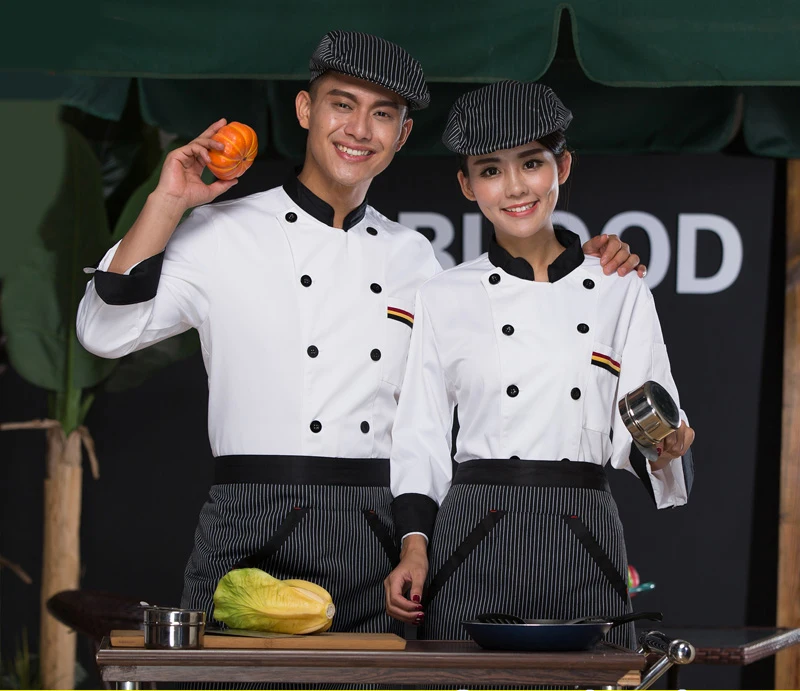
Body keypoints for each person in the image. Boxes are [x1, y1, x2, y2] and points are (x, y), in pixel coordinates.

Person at [77, 32, 643, 636]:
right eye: (341, 104)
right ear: (305, 110)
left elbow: (481, 369)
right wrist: (168, 202)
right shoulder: (222, 230)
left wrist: (591, 268)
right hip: (249, 517)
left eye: (382, 115)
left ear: (400, 137)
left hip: (377, 534)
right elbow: (103, 332)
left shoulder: (415, 257)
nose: (358, 129)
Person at [384, 81, 695, 648]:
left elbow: (647, 421)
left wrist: (665, 447)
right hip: (473, 531)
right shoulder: (444, 295)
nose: (515, 187)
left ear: (563, 166)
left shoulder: (618, 287)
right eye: (490, 169)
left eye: (531, 162)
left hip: (584, 529)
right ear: (466, 184)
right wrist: (413, 545)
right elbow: (419, 435)